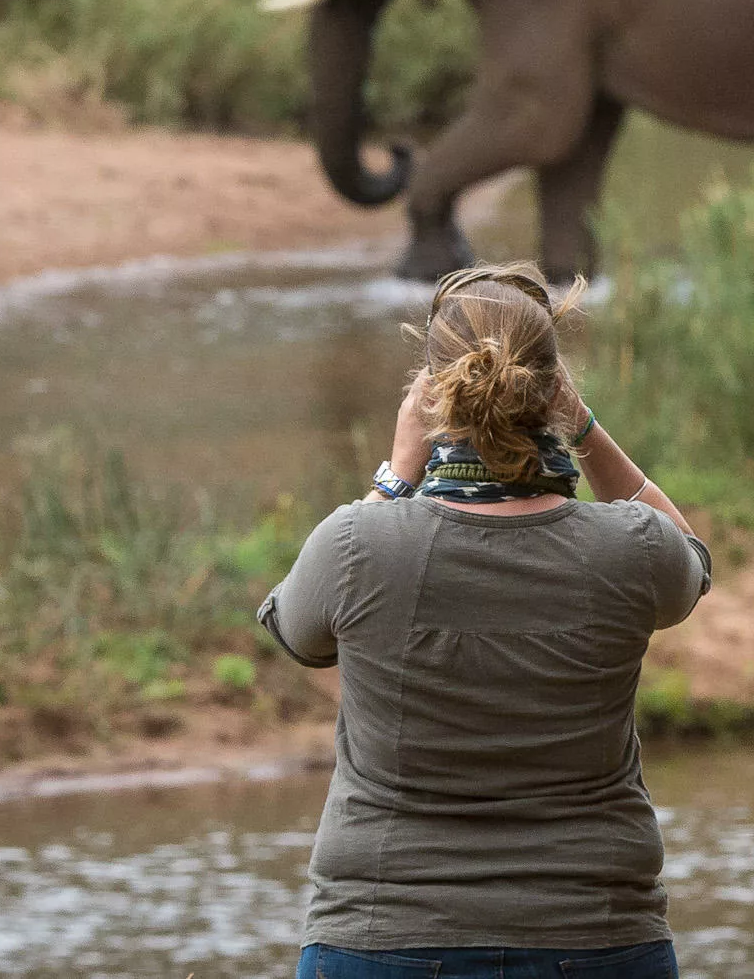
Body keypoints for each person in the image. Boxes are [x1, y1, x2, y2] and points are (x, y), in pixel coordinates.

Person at [260, 262, 710, 979]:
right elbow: (693, 561)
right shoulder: (629, 547)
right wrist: (588, 432)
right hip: (595, 933)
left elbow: (293, 629)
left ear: (433, 396)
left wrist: (396, 472)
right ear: (554, 393)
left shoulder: (359, 545)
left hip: (384, 935)